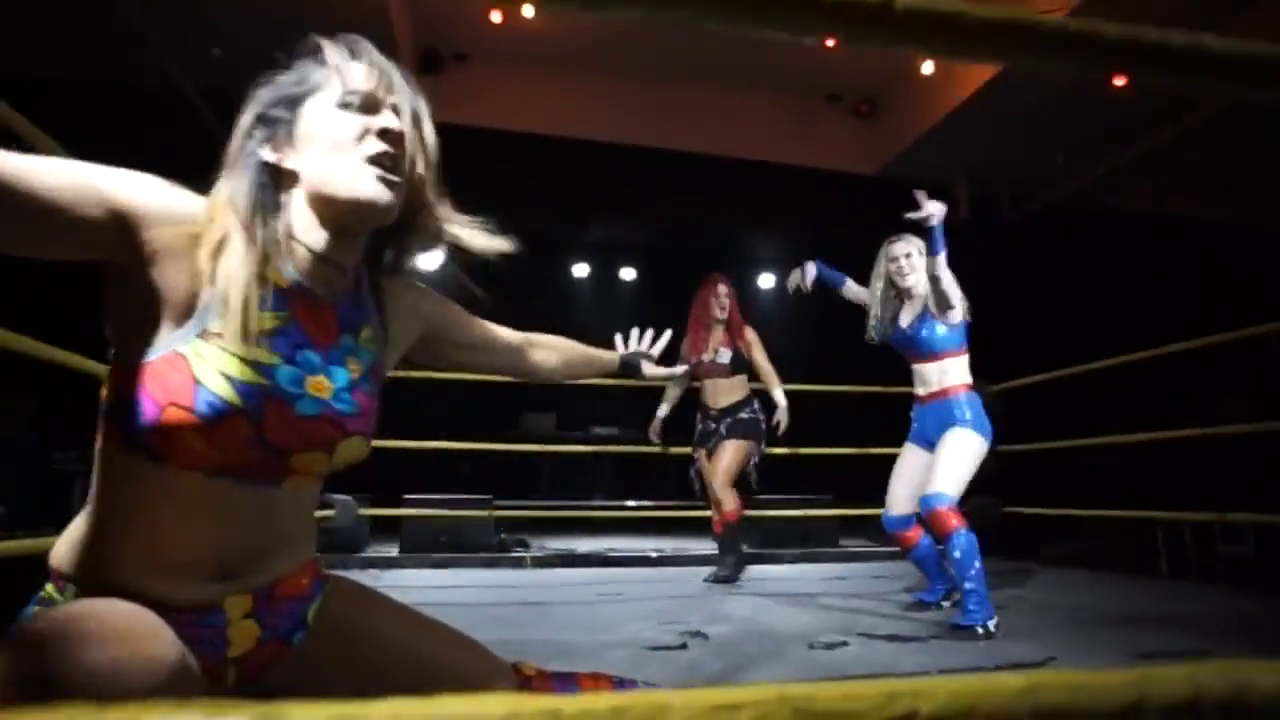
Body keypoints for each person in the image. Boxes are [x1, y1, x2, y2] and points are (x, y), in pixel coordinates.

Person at [0, 34, 686, 702]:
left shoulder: (391, 308)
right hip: (122, 610)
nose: (390, 130)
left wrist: (626, 365)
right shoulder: (182, 237)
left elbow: (523, 350)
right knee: (141, 674)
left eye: (403, 124)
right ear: (277, 145)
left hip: (283, 610)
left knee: (525, 698)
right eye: (358, 108)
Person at [785, 191, 997, 640]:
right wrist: (816, 268)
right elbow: (852, 290)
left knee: (937, 505)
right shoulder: (892, 310)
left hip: (961, 414)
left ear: (922, 258)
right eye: (894, 259)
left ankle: (980, 610)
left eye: (909, 256)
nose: (902, 264)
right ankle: (941, 583)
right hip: (923, 419)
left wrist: (935, 228)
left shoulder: (945, 298)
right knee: (896, 519)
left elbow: (940, 270)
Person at [648, 274, 788, 584]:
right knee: (714, 493)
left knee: (720, 481)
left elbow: (764, 367)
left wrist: (782, 404)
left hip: (741, 415)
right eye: (717, 296)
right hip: (707, 420)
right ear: (704, 302)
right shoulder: (692, 342)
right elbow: (679, 381)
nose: (723, 302)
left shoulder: (743, 335)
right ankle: (727, 555)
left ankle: (733, 556)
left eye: (727, 296)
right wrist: (660, 415)